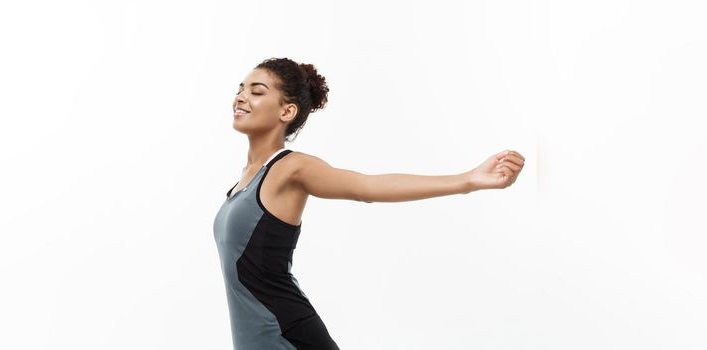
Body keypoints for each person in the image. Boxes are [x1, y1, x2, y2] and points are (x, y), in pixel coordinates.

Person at [213, 57, 525, 350]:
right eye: (240, 89)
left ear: (287, 112)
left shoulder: (290, 168)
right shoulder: (244, 179)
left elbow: (367, 186)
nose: (241, 97)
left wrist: (466, 180)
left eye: (256, 91)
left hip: (286, 336)